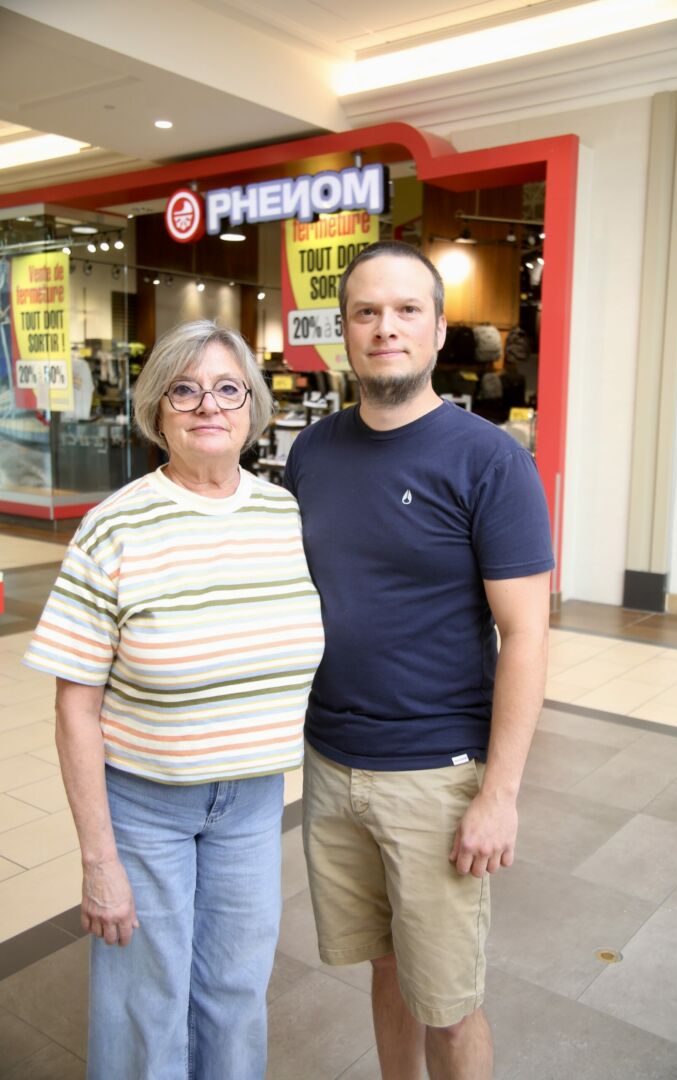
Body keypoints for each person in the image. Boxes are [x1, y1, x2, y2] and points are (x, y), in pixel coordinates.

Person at [23, 320, 324, 1080]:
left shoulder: (285, 518)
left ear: (253, 406)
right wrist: (100, 860)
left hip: (254, 802)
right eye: (184, 389)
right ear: (158, 409)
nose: (208, 406)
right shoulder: (113, 527)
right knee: (143, 1002)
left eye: (228, 388)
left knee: (235, 992)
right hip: (145, 805)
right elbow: (74, 708)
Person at [284, 241, 554, 1080]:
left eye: (407, 311)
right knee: (386, 968)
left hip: (435, 776)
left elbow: (528, 635)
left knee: (448, 1001)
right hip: (330, 766)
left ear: (439, 331)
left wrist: (499, 796)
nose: (385, 328)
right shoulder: (313, 455)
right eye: (366, 312)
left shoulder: (491, 461)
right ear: (345, 332)